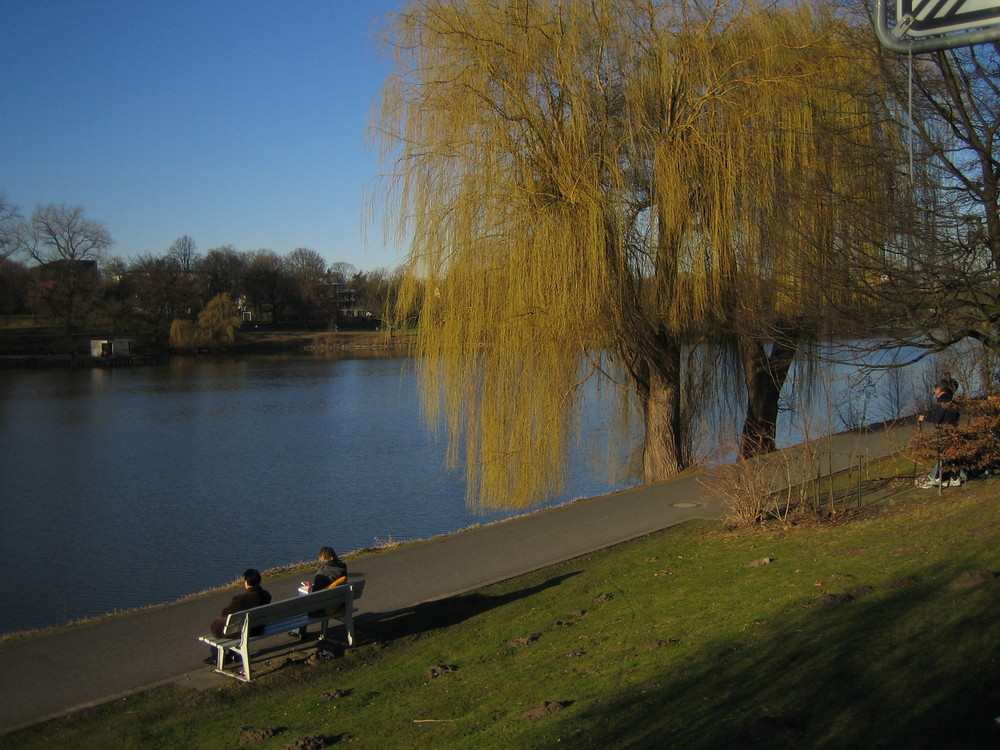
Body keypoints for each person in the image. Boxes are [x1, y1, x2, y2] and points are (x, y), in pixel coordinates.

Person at [205, 568, 272, 663]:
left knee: (218, 629)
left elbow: (225, 613)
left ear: (246, 582)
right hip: (258, 628)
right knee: (233, 626)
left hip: (246, 631)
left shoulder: (240, 599)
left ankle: (217, 658)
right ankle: (233, 655)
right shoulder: (266, 595)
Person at [290, 546, 348, 639]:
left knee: (303, 594)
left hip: (323, 607)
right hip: (339, 602)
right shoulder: (342, 567)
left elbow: (316, 594)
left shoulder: (322, 572)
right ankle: (298, 631)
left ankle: (299, 631)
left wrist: (309, 588)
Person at [917, 384, 960, 488]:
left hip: (945, 433)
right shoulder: (952, 402)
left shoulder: (941, 402)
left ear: (941, 392)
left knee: (945, 456)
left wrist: (925, 418)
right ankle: (951, 478)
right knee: (948, 456)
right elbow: (957, 415)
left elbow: (937, 417)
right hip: (953, 430)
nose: (935, 394)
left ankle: (938, 478)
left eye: (936, 392)